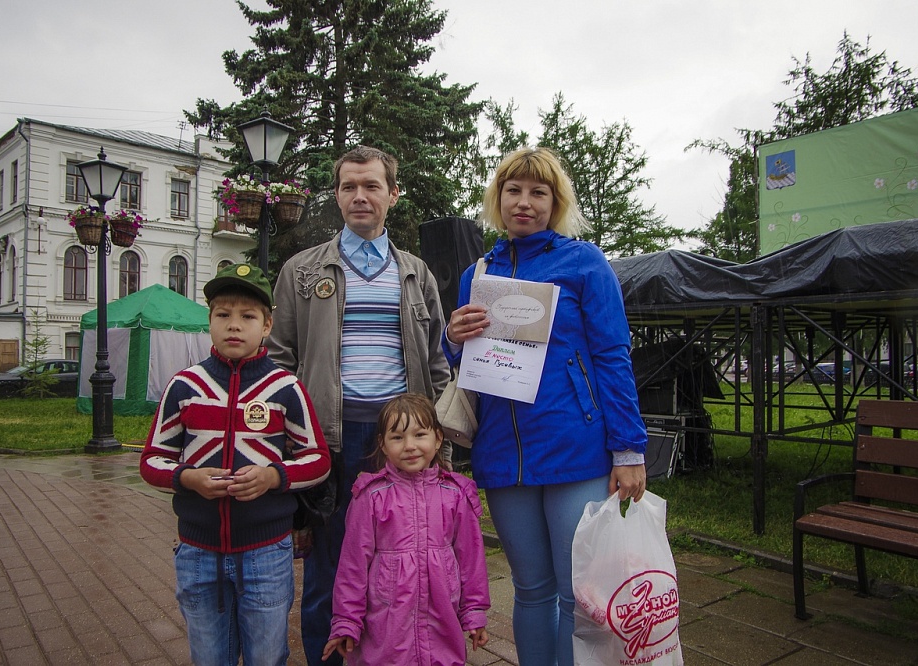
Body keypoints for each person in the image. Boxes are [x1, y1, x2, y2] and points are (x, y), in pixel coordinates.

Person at [444, 147, 648, 665]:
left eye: (539, 192)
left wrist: (627, 448)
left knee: (571, 591)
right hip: (502, 453)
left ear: (556, 202)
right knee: (530, 588)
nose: (525, 202)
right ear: (498, 197)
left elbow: (612, 355)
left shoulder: (584, 262)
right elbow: (471, 361)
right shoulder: (478, 273)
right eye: (514, 190)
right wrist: (452, 337)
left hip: (573, 448)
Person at [268, 145, 450, 666]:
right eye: (349, 186)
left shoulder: (415, 273)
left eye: (371, 186)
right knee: (330, 565)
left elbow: (436, 364)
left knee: (402, 565)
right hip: (331, 439)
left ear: (393, 194)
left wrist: (440, 445)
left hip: (402, 443)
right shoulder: (302, 272)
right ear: (337, 194)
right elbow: (280, 362)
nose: (359, 196)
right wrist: (290, 440)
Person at [140, 262, 331, 666]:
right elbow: (153, 460)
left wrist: (272, 476)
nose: (234, 325)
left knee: (267, 655)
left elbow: (317, 460)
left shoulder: (285, 387)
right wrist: (187, 478)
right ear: (208, 321)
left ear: (267, 326)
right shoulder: (185, 386)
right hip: (198, 550)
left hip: (266, 551)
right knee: (209, 655)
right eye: (222, 315)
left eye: (247, 316)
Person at [322, 393, 489, 665]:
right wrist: (346, 621)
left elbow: (471, 559)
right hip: (386, 623)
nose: (410, 446)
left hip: (442, 619)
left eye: (419, 435)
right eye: (397, 437)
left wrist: (474, 612)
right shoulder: (370, 496)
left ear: (437, 438)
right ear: (383, 445)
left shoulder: (456, 494)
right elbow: (353, 564)